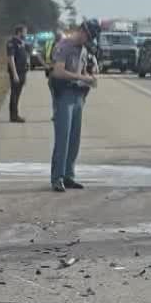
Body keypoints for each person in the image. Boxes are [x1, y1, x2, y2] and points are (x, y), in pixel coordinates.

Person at [46, 22, 95, 192]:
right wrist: (81, 76)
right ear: (81, 31)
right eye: (87, 36)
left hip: (78, 94)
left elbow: (84, 70)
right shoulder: (64, 46)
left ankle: (69, 175)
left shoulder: (84, 50)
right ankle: (57, 177)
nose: (87, 40)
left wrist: (89, 77)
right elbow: (58, 72)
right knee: (63, 138)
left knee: (74, 139)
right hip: (64, 94)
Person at [6, 24, 32, 123]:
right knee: (14, 94)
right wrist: (15, 74)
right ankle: (13, 116)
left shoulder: (22, 43)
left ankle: (15, 114)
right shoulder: (11, 43)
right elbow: (11, 58)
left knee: (18, 94)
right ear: (19, 32)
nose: (26, 34)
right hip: (16, 72)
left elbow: (26, 56)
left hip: (22, 71)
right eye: (25, 32)